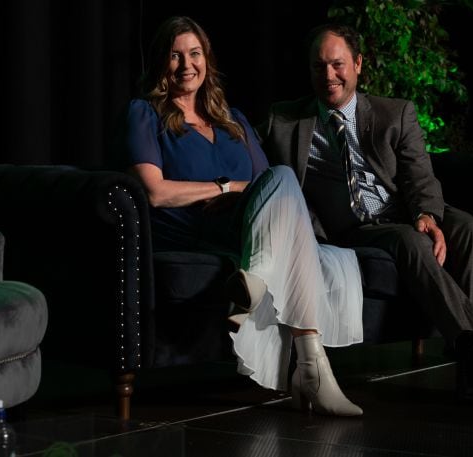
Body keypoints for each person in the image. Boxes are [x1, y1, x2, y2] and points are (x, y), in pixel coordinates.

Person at [112, 16, 365, 416]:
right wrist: (225, 188)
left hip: (243, 227)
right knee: (286, 192)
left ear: (207, 60)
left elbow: (265, 184)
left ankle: (256, 282)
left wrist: (242, 196)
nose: (185, 65)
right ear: (161, 63)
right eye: (175, 56)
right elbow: (155, 192)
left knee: (281, 180)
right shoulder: (144, 114)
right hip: (194, 229)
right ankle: (312, 370)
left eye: (195, 54)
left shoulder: (231, 119)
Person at [257, 23, 473, 403]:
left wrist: (428, 215)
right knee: (408, 241)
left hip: (401, 208)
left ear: (358, 64)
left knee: (471, 231)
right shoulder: (284, 121)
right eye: (318, 66)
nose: (328, 75)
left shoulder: (395, 113)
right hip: (355, 226)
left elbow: (418, 174)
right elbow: (239, 143)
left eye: (337, 64)